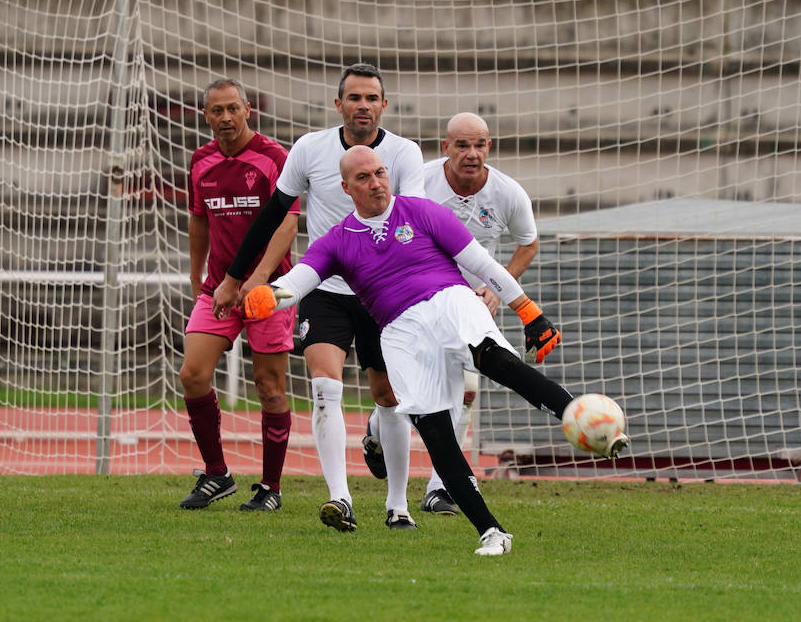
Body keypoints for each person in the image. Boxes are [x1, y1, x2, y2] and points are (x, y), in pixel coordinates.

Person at [242, 145, 628, 556]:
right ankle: (492, 533)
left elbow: (482, 264)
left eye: (380, 173)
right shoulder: (337, 240)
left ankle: (584, 420)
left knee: (496, 361)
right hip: (400, 332)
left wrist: (528, 311)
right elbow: (297, 282)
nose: (376, 182)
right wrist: (270, 296)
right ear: (345, 187)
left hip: (449, 301)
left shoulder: (422, 212)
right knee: (434, 430)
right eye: (364, 177)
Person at [212, 63, 425, 532]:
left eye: (371, 98)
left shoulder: (405, 154)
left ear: (384, 106)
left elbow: (414, 222)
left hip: (384, 291)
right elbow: (271, 216)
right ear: (339, 105)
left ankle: (398, 506)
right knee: (325, 386)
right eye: (354, 98)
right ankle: (340, 499)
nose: (363, 105)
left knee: (388, 395)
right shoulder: (310, 149)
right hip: (324, 287)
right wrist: (233, 277)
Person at [363, 111, 540, 516]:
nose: (471, 153)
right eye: (462, 145)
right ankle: (376, 431)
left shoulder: (508, 193)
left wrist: (498, 288)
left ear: (489, 147)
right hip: (413, 301)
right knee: (405, 391)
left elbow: (528, 243)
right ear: (446, 148)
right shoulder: (420, 181)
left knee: (466, 391)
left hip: (469, 307)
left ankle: (440, 488)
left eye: (479, 144)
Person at [177, 78, 301, 512]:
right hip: (218, 289)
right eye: (216, 111)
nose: (225, 118)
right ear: (205, 115)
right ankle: (217, 473)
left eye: (233, 108)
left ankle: (271, 487)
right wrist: (196, 274)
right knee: (192, 374)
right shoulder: (201, 161)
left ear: (248, 109)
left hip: (269, 290)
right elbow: (198, 220)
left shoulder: (274, 158)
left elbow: (288, 223)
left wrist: (259, 277)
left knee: (269, 385)